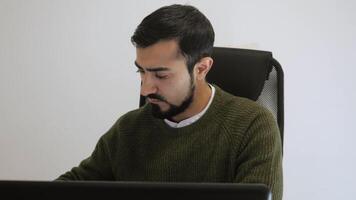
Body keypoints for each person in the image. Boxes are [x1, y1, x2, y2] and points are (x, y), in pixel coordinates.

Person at [57, 4, 283, 200]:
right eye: (141, 72)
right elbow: (70, 188)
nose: (145, 89)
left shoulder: (253, 126)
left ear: (201, 69)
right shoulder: (128, 129)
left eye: (161, 75)